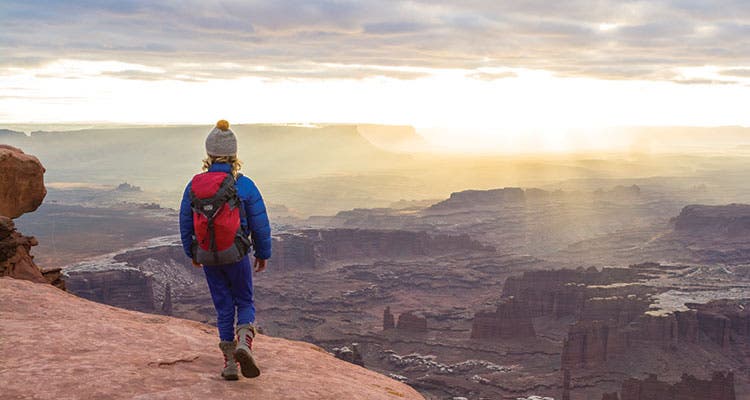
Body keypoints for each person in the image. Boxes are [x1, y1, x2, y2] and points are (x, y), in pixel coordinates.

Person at [179, 120, 272, 380]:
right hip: (237, 254)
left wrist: (192, 253)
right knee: (244, 300)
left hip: (208, 255)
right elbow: (260, 222)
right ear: (234, 155)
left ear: (208, 155)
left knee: (223, 307)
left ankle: (229, 364)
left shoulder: (194, 185)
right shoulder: (244, 185)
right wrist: (263, 253)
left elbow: (185, 222)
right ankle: (244, 344)